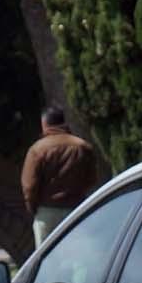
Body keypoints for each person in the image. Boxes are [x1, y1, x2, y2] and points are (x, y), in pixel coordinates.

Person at [21, 103, 106, 246]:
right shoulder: (82, 146)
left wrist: (35, 209)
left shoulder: (37, 150)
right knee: (79, 256)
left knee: (48, 261)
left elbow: (29, 186)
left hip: (47, 211)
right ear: (63, 122)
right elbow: (92, 179)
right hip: (76, 208)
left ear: (44, 123)